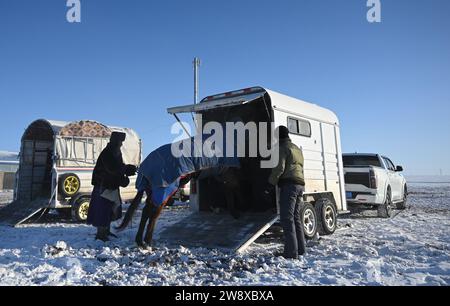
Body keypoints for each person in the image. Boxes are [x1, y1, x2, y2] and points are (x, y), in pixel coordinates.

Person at [87, 131, 137, 241]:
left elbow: (118, 167)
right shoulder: (107, 153)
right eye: (120, 141)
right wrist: (125, 170)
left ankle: (107, 231)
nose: (121, 144)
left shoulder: (116, 152)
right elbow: (112, 169)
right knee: (102, 210)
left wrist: (126, 171)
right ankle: (101, 234)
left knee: (110, 210)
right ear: (115, 141)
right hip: (103, 186)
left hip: (110, 185)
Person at [268, 126, 306, 259]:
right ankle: (301, 249)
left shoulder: (282, 148)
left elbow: (279, 168)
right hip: (300, 184)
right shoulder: (296, 148)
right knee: (296, 218)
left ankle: (291, 253)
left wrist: (270, 183)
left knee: (287, 218)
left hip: (289, 185)